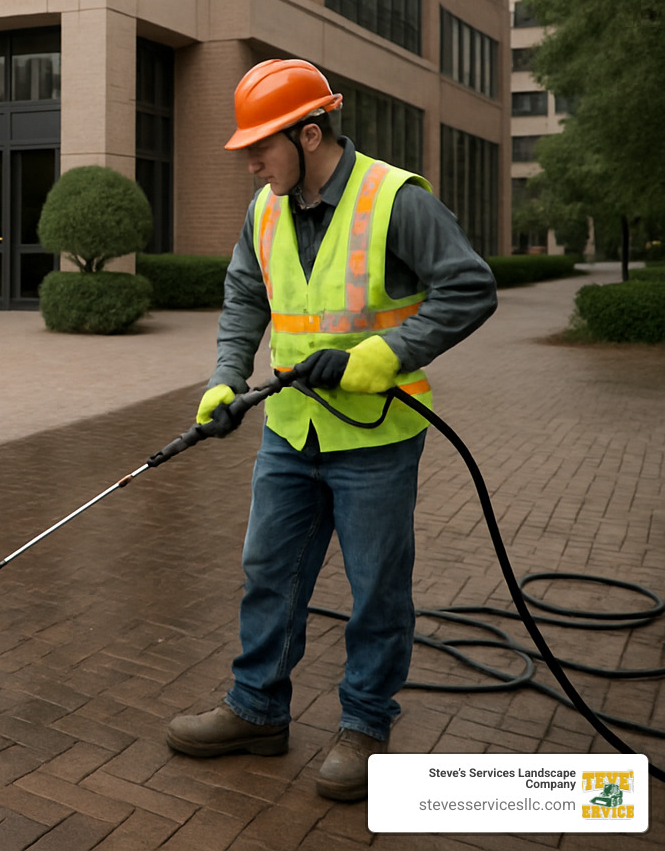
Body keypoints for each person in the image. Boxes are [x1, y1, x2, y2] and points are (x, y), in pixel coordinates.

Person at [165, 59, 498, 802]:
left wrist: (389, 353)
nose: (251, 161)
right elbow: (245, 295)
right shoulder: (264, 208)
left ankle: (366, 725)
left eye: (261, 146)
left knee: (377, 586)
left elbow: (471, 287)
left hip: (376, 437)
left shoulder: (395, 200)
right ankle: (257, 710)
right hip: (289, 430)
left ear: (310, 133)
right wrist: (226, 374)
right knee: (269, 575)